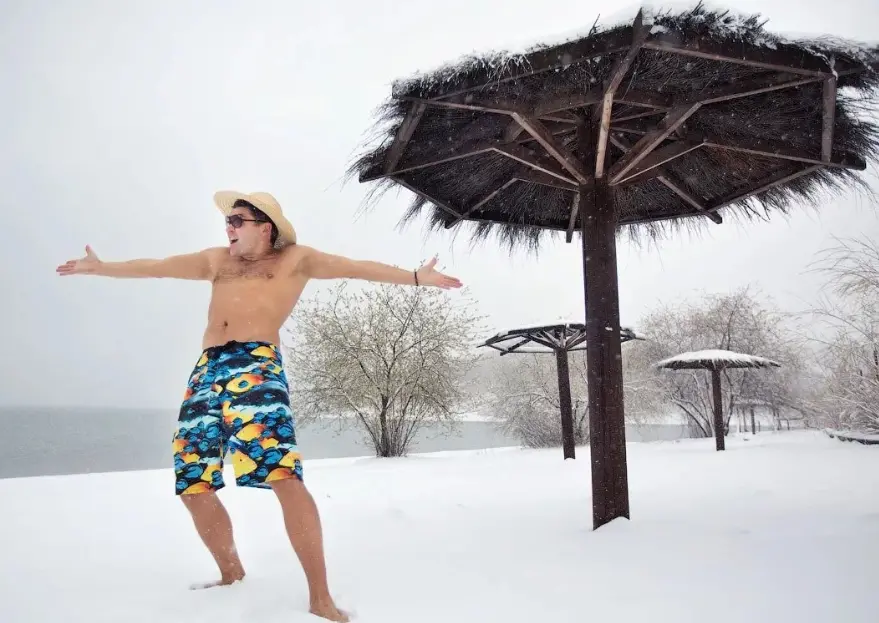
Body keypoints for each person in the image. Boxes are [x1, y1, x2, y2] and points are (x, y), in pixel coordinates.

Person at [56, 190, 463, 622]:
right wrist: (102, 267)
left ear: (264, 227)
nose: (228, 228)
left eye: (237, 220)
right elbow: (158, 267)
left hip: (256, 365)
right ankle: (231, 573)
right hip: (207, 369)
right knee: (192, 480)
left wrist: (415, 277)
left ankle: (320, 597)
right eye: (227, 222)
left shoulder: (295, 260)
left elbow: (356, 267)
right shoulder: (217, 261)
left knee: (282, 475)